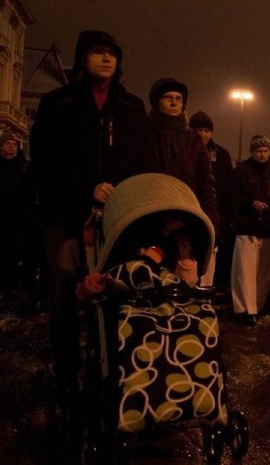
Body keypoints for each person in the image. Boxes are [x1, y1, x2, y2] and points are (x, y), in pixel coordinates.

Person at [29, 30, 155, 420]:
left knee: (116, 292)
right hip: (67, 216)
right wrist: (86, 189)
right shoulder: (58, 102)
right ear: (82, 58)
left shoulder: (131, 107)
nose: (105, 59)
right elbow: (44, 161)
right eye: (97, 53)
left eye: (112, 54)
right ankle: (67, 373)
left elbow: (143, 163)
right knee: (66, 291)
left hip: (118, 219)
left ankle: (114, 370)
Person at [147, 78, 221, 258]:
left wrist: (213, 225)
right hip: (152, 215)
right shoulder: (144, 134)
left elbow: (205, 184)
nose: (174, 102)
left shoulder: (192, 140)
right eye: (168, 97)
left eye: (178, 98)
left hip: (186, 217)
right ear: (158, 101)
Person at [231, 135, 270, 326]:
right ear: (251, 152)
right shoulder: (241, 171)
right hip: (248, 227)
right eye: (258, 151)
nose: (262, 154)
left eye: (265, 151)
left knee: (264, 272)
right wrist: (250, 204)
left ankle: (258, 305)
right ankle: (245, 309)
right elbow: (231, 197)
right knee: (245, 271)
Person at [189, 111, 236, 288]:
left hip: (213, 211)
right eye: (198, 129)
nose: (203, 134)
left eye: (207, 130)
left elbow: (229, 188)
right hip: (191, 208)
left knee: (210, 254)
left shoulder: (221, 155)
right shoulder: (184, 150)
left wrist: (228, 216)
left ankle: (206, 292)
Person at [0, 131, 26, 301]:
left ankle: (10, 286)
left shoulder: (23, 167)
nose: (11, 146)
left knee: (13, 252)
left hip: (17, 216)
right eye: (8, 143)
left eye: (14, 143)